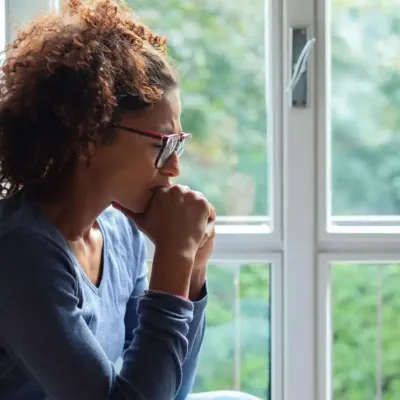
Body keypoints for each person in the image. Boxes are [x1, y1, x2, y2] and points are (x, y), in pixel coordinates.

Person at [0, 1, 263, 400]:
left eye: (179, 144)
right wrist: (173, 259)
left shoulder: (120, 232)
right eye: (162, 144)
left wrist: (192, 270)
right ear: (89, 136)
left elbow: (168, 390)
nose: (174, 167)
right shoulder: (21, 251)